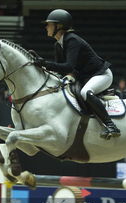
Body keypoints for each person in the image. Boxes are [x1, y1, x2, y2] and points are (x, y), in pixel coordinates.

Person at [35, 9, 120, 139]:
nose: (46, 27)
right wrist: (41, 65)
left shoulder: (72, 40)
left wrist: (45, 63)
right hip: (85, 77)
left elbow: (68, 66)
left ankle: (111, 125)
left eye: (49, 24)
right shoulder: (58, 45)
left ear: (59, 26)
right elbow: (61, 70)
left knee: (85, 93)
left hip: (101, 75)